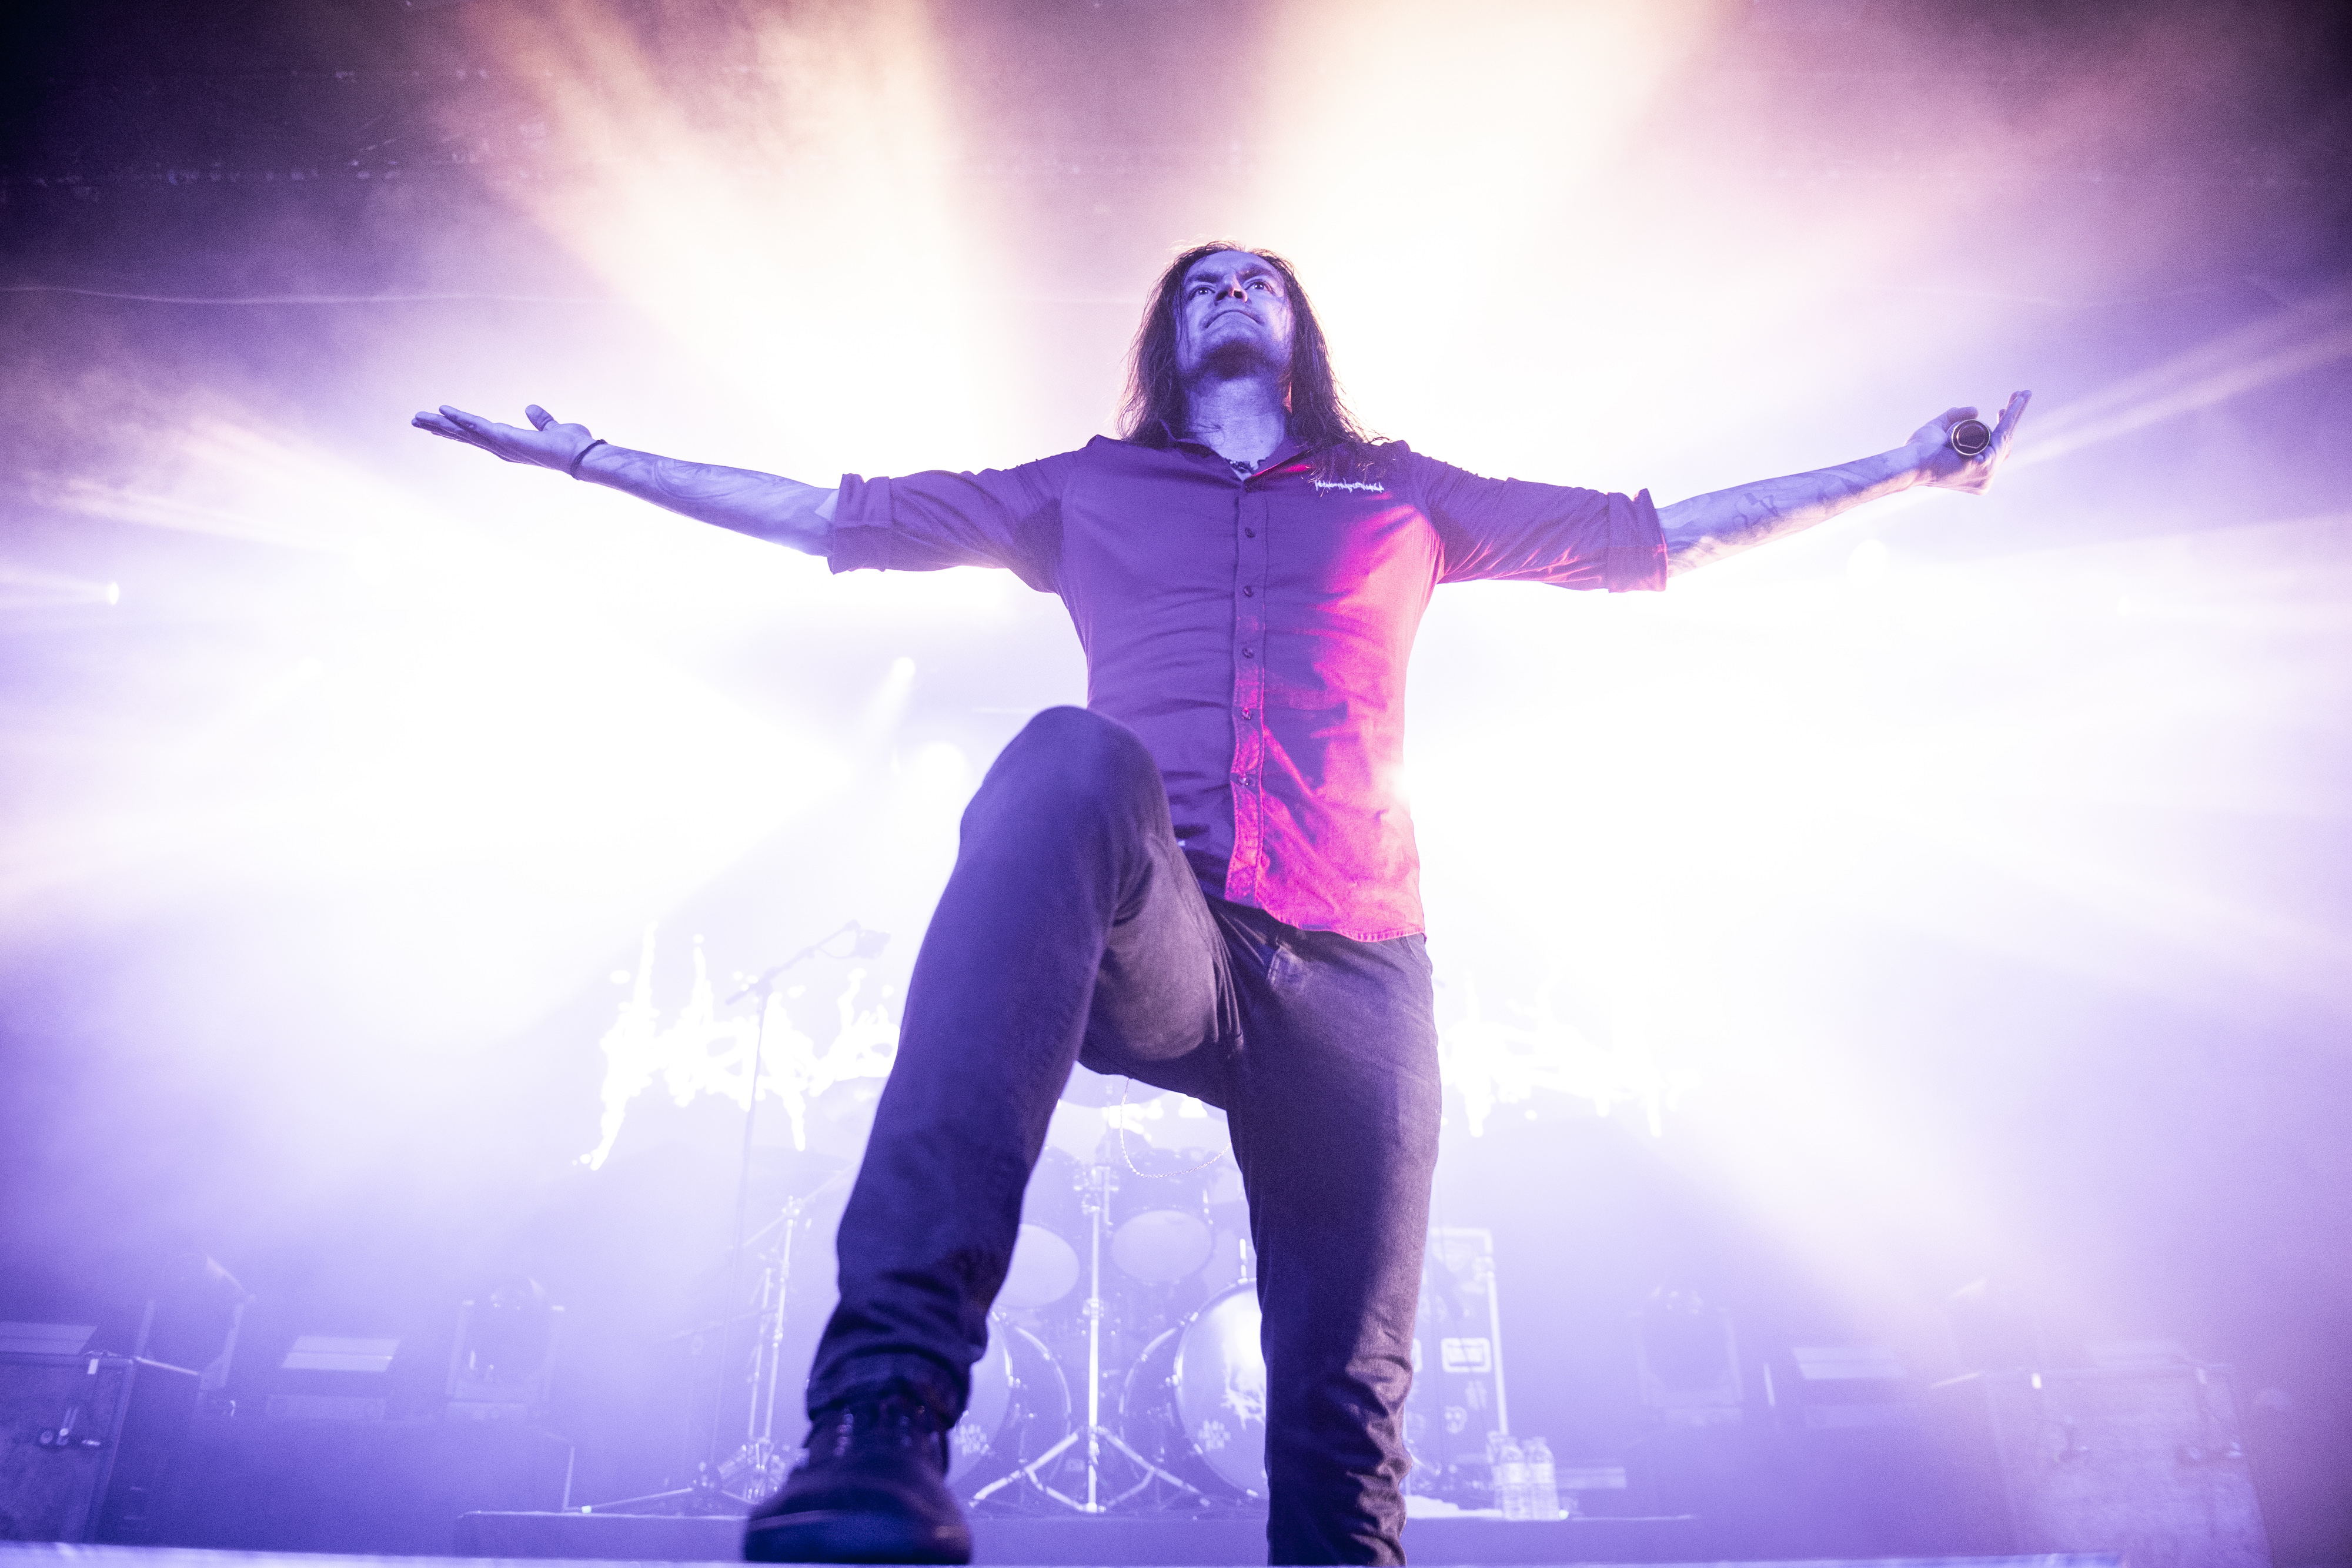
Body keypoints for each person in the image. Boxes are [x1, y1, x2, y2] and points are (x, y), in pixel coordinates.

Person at [415, 242, 2028, 1566]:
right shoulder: (1092, 490)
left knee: (1343, 1432)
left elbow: (1655, 536)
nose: (1227, 289)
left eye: (1256, 277)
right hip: (1163, 933)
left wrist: (1900, 471)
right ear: (1168, 337)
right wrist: (590, 460)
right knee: (1062, 762)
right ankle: (880, 1425)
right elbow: (836, 514)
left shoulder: (1403, 494)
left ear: (1299, 324)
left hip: (1359, 979)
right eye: (1198, 282)